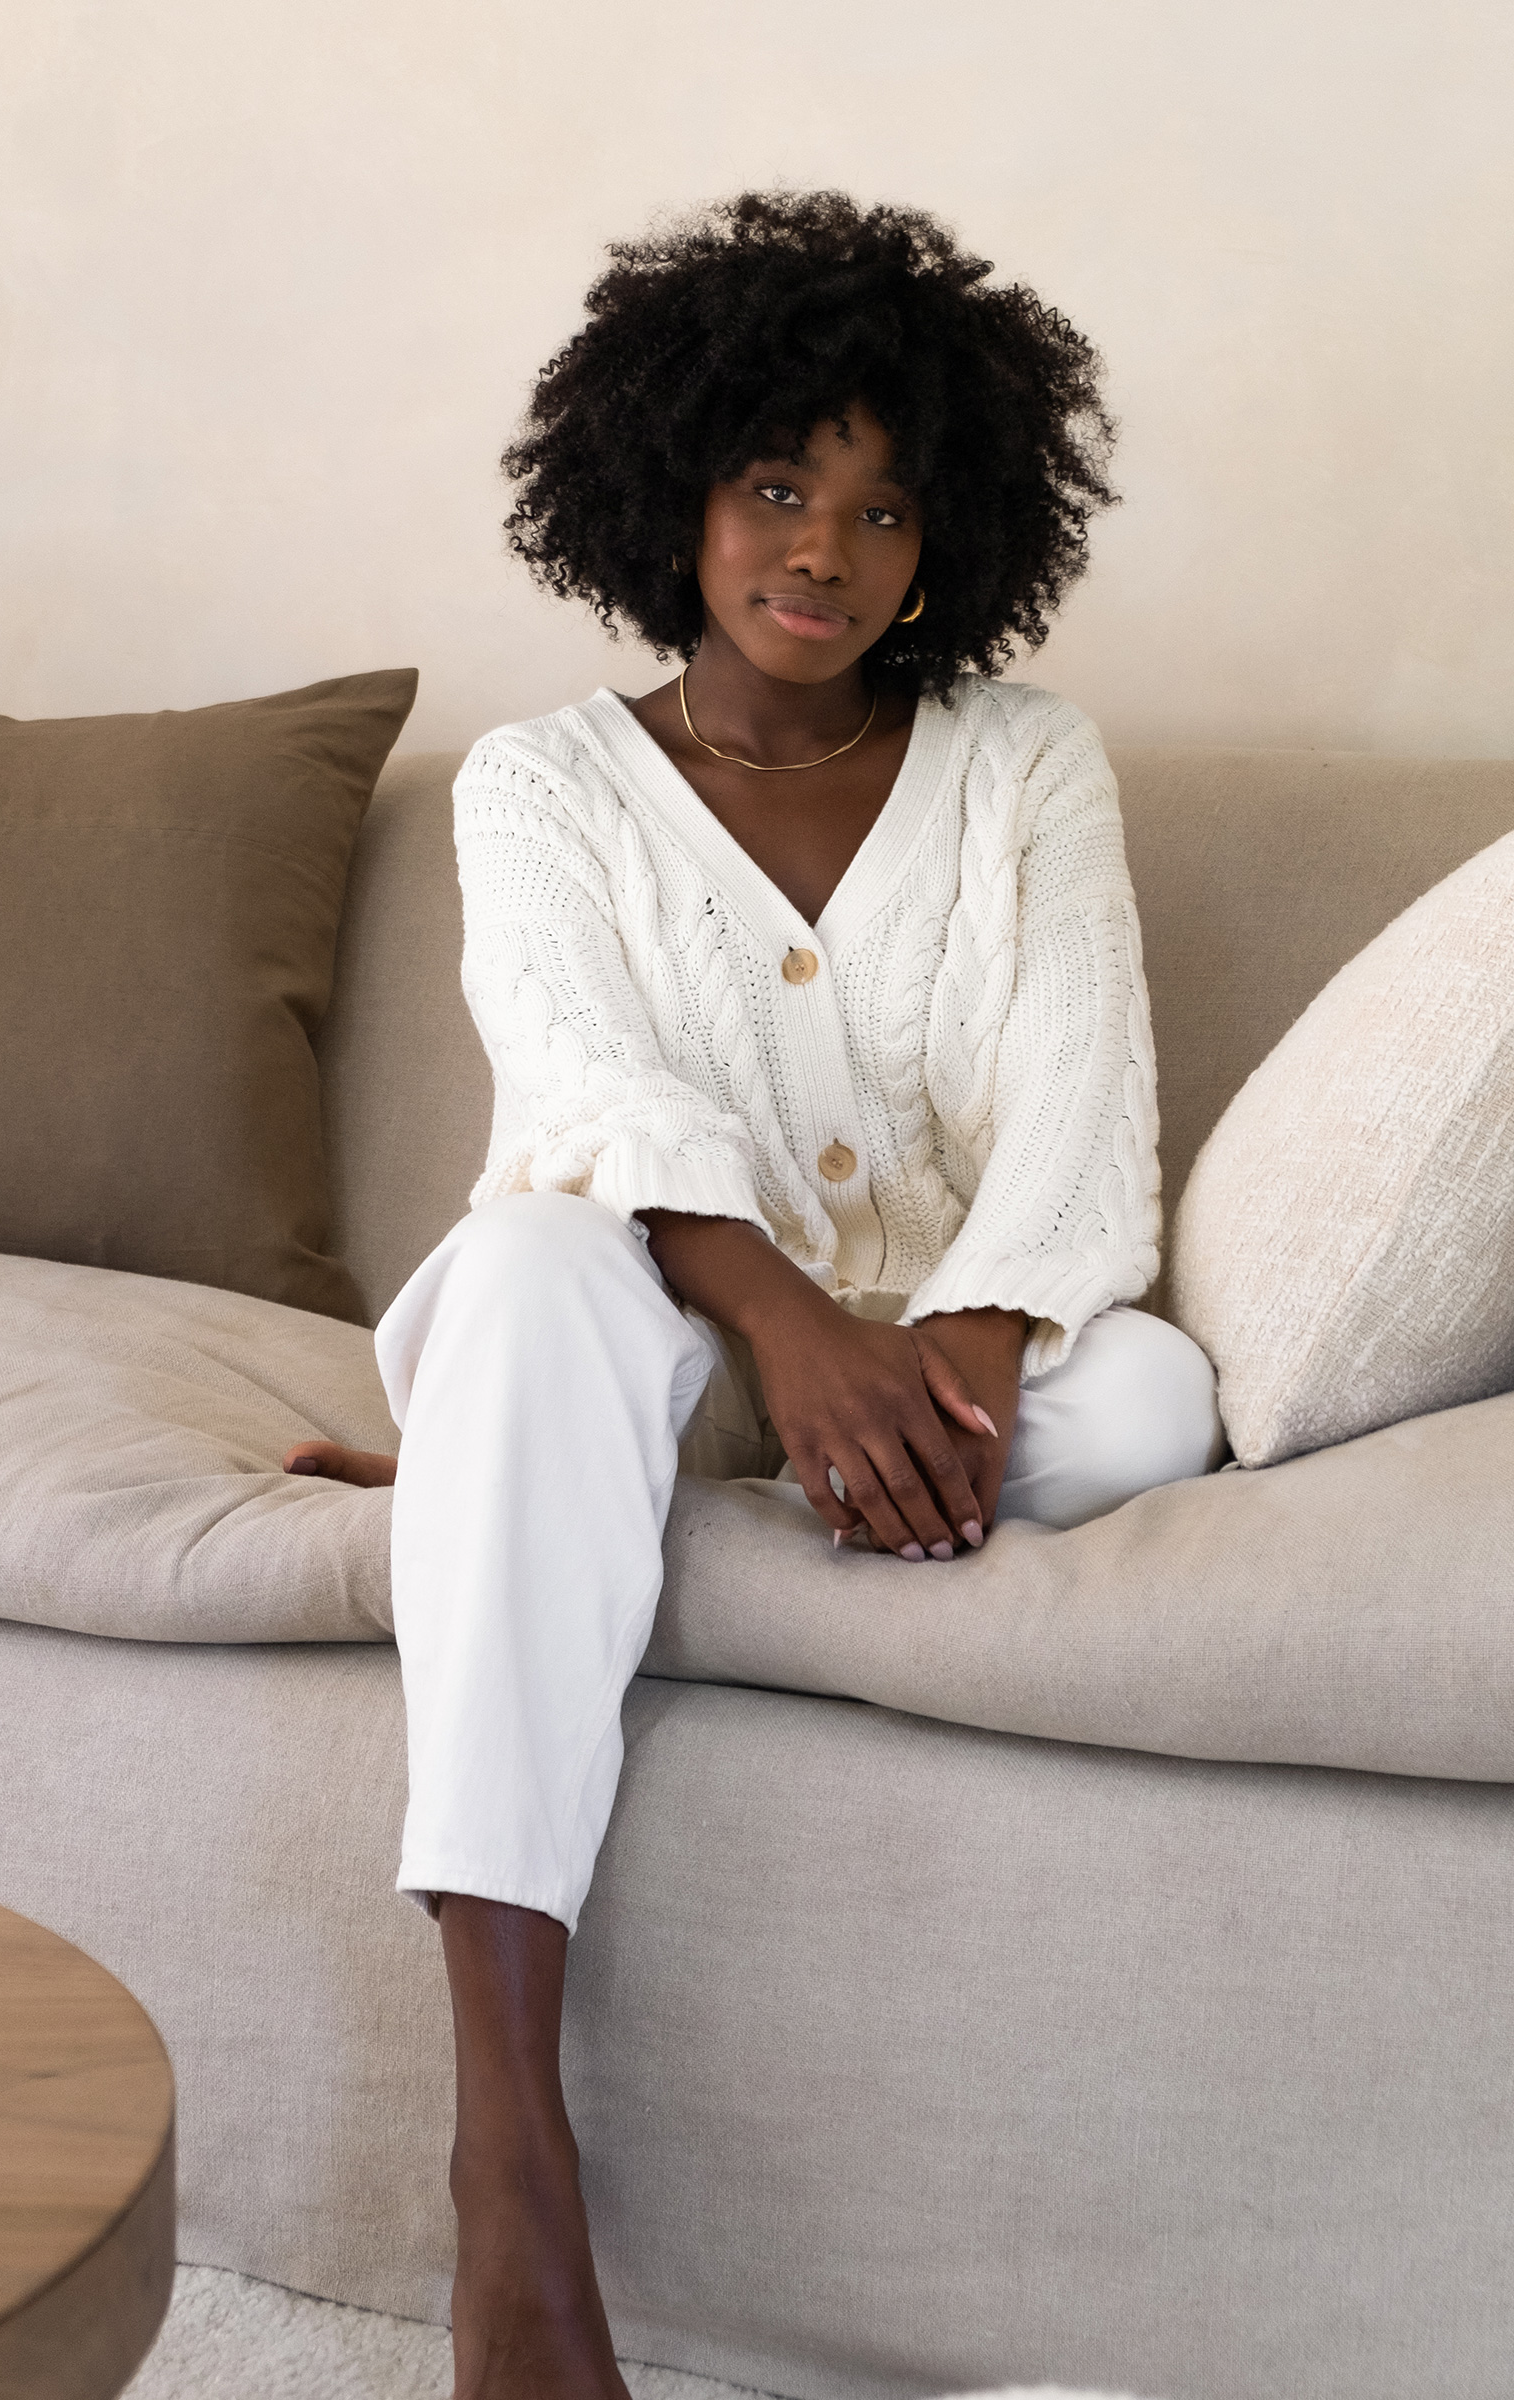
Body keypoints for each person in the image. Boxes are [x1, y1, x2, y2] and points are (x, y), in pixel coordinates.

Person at [287, 191, 1224, 2400]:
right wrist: (790, 1344)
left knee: (1155, 1406)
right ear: (671, 488)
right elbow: (588, 1087)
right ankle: (510, 2162)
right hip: (650, 1319)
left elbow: (1087, 1093)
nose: (824, 545)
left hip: (945, 1350)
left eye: (886, 505)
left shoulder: (1026, 761)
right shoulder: (540, 789)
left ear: (951, 538)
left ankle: (508, 1506)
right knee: (531, 1265)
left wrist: (958, 1345)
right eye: (775, 481)